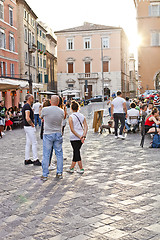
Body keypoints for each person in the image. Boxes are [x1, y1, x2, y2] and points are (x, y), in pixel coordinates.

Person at [41, 95, 64, 181]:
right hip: (58, 133)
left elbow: (41, 117)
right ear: (58, 102)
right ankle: (59, 173)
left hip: (48, 133)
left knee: (46, 154)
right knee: (59, 154)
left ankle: (45, 174)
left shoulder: (45, 110)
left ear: (50, 101)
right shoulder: (61, 111)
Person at [67, 101, 88, 174]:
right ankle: (72, 168)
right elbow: (86, 126)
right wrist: (83, 136)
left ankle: (80, 168)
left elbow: (72, 129)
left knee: (76, 151)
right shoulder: (82, 116)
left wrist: (79, 136)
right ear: (78, 108)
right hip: (81, 136)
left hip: (74, 137)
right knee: (76, 151)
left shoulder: (71, 117)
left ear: (71, 108)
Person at [22, 94, 41, 166]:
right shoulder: (27, 106)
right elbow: (27, 117)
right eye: (32, 98)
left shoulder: (26, 106)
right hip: (29, 126)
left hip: (26, 126)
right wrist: (32, 125)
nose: (33, 100)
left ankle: (27, 159)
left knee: (28, 143)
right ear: (29, 98)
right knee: (34, 142)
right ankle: (35, 159)